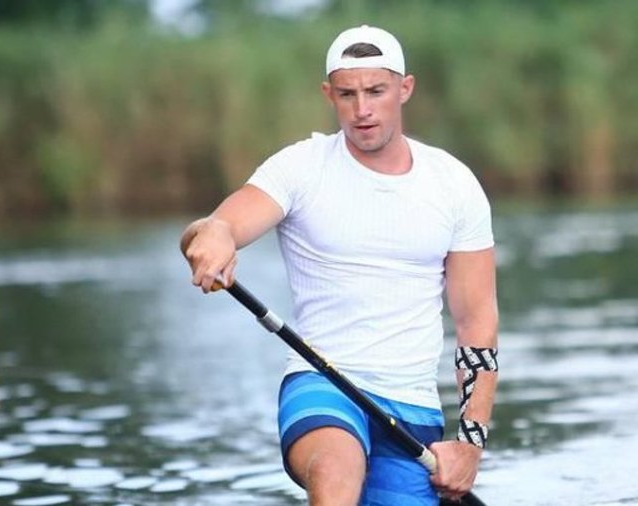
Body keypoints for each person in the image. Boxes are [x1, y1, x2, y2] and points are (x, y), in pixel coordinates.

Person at [180, 24, 499, 505]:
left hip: (411, 408)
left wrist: (470, 444)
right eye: (347, 94)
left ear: (405, 89)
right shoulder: (300, 168)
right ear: (329, 94)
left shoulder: (454, 184)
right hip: (322, 384)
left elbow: (476, 322)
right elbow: (220, 225)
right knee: (336, 466)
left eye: (376, 91)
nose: (362, 109)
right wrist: (212, 237)